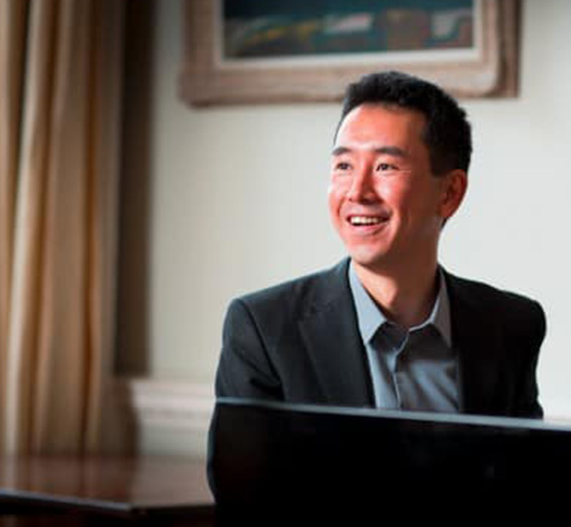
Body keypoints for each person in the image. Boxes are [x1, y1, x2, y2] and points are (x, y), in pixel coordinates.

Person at [214, 71, 544, 418]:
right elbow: (242, 474)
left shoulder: (512, 326)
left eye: (385, 166)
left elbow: (521, 471)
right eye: (343, 165)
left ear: (449, 193)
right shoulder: (264, 329)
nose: (357, 192)